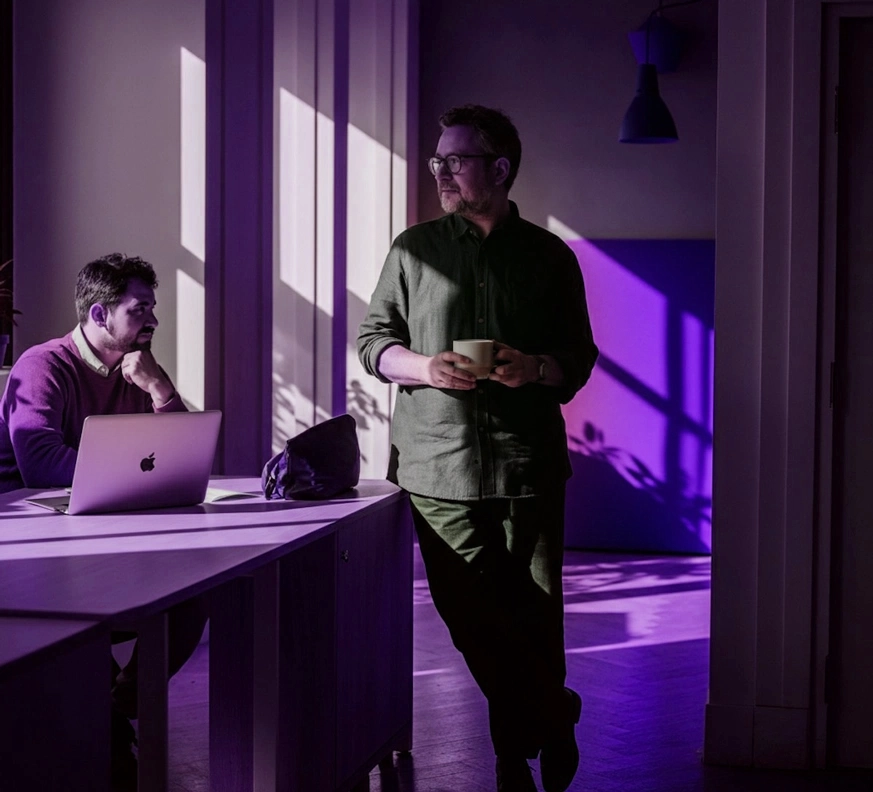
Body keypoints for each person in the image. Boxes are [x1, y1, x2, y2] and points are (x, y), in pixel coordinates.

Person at [357, 105, 598, 792]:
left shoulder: (549, 257)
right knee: (470, 616)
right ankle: (552, 714)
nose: (440, 172)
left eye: (455, 160)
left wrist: (536, 368)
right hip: (435, 466)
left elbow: (577, 356)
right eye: (438, 160)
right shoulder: (412, 250)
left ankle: (510, 757)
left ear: (499, 168)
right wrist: (425, 366)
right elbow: (373, 342)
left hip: (527, 464)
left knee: (534, 614)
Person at [0, 253, 208, 790]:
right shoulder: (43, 366)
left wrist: (161, 391)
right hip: (33, 547)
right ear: (99, 313)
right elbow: (40, 466)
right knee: (86, 617)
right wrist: (133, 474)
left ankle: (119, 707)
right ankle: (107, 736)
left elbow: (180, 455)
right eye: (140, 310)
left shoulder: (136, 370)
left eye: (153, 308)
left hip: (101, 530)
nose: (153, 320)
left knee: (194, 594)